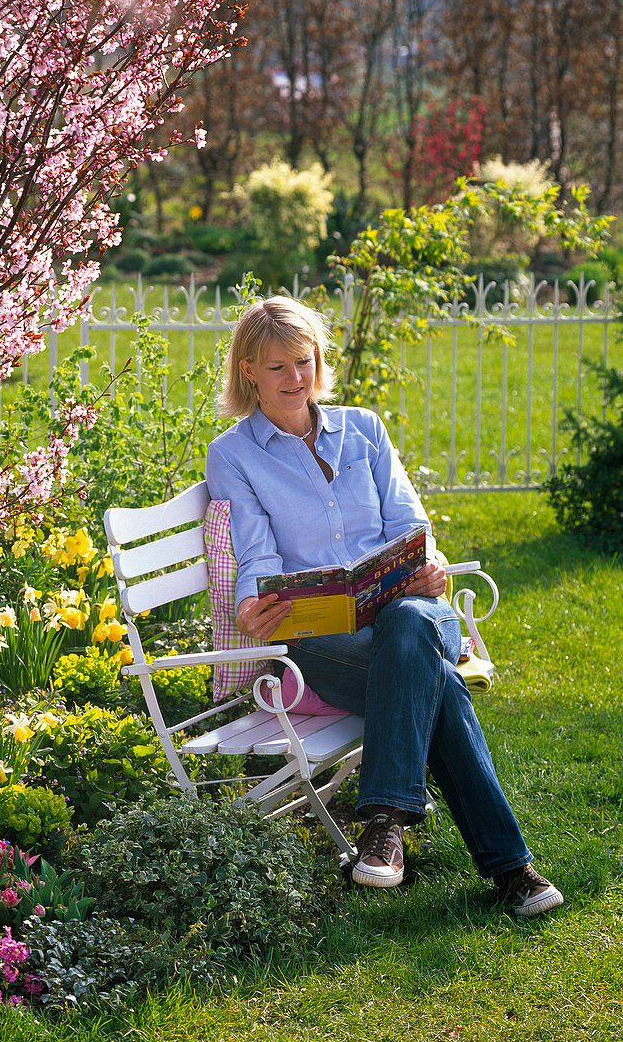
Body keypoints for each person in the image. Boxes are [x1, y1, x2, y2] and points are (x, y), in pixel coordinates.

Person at [205, 295, 563, 917]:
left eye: (306, 361)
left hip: (413, 611)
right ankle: (512, 871)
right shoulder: (233, 454)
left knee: (409, 622)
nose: (297, 379)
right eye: (279, 366)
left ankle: (384, 822)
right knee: (435, 682)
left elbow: (409, 523)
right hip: (324, 640)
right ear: (248, 373)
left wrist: (431, 568)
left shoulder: (364, 428)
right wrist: (249, 604)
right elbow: (256, 552)